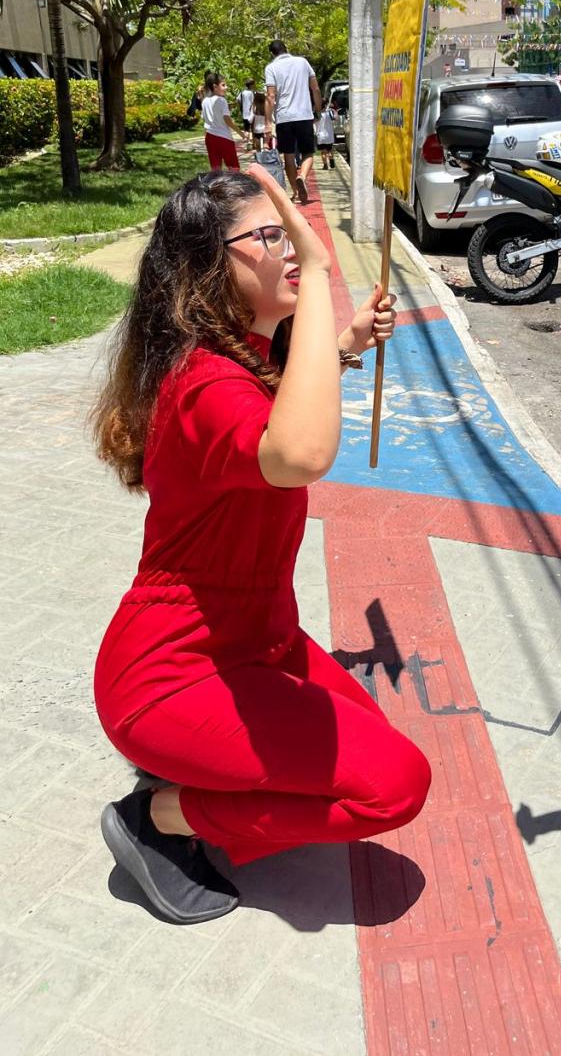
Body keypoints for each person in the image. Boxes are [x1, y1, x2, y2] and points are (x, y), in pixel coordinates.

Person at [91, 167, 430, 923]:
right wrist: (319, 273)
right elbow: (300, 450)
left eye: (288, 235)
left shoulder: (241, 359)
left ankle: (190, 777)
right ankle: (160, 818)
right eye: (269, 236)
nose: (288, 249)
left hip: (256, 644)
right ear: (211, 268)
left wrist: (342, 344)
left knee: (367, 744)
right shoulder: (205, 384)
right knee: (394, 786)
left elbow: (276, 393)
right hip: (172, 672)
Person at [265, 39, 320, 204]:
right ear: (286, 48)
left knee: (288, 156)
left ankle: (296, 193)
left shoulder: (271, 68)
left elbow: (271, 96)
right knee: (308, 153)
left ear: (272, 54)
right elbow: (315, 88)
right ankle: (302, 176)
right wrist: (318, 109)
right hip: (304, 115)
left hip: (284, 118)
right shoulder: (303, 62)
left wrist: (268, 122)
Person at [200, 71, 242, 171]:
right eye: (223, 85)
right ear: (215, 86)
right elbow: (227, 120)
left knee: (215, 168)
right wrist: (241, 133)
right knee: (234, 168)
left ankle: (216, 181)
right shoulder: (222, 100)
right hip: (224, 137)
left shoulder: (205, 101)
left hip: (210, 137)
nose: (226, 87)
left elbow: (204, 118)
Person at [316, 104, 337, 171]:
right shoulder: (329, 113)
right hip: (329, 136)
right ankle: (331, 162)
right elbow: (336, 119)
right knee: (329, 150)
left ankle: (325, 165)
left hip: (320, 136)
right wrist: (334, 111)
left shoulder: (317, 114)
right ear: (325, 106)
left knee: (323, 152)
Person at [238, 79, 256, 147]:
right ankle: (254, 143)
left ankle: (248, 143)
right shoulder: (252, 93)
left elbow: (238, 100)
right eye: (253, 84)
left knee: (246, 129)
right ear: (251, 85)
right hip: (252, 113)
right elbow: (253, 102)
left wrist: (241, 108)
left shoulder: (242, 92)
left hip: (244, 113)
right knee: (253, 128)